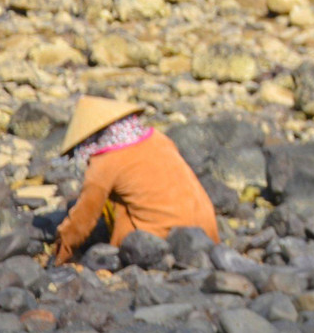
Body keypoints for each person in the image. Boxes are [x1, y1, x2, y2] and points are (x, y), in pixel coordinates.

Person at [50, 95, 220, 264]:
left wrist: (61, 252)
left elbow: (84, 218)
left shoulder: (106, 162)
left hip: (158, 240)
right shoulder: (158, 138)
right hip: (207, 231)